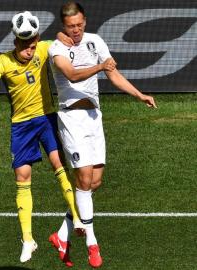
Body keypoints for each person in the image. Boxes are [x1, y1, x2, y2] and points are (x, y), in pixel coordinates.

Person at [0, 11, 115, 263]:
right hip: (21, 126)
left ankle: (77, 219)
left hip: (47, 118)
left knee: (60, 166)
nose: (30, 50)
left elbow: (60, 40)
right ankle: (28, 239)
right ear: (15, 42)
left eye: (32, 44)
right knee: (22, 176)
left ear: (37, 39)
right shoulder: (3, 61)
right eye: (24, 45)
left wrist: (62, 34)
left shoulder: (43, 49)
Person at [47, 2, 157, 268]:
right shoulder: (57, 48)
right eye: (71, 26)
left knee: (94, 182)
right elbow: (72, 75)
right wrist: (100, 67)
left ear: (85, 20)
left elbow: (114, 75)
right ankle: (91, 243)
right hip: (71, 117)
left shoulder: (95, 41)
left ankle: (62, 234)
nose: (76, 30)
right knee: (83, 177)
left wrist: (139, 94)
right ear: (64, 25)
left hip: (94, 117)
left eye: (79, 24)